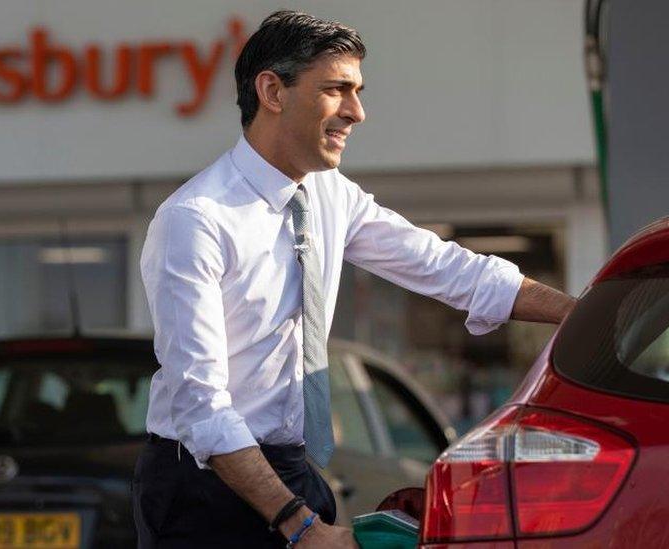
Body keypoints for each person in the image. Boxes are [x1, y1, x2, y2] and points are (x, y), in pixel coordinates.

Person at [133, 10, 576, 548]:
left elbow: (451, 269)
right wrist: (302, 527)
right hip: (203, 490)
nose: (358, 112)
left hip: (290, 470)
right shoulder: (195, 220)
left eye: (358, 90)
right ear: (272, 91)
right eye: (337, 89)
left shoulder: (328, 193)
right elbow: (202, 407)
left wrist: (592, 314)